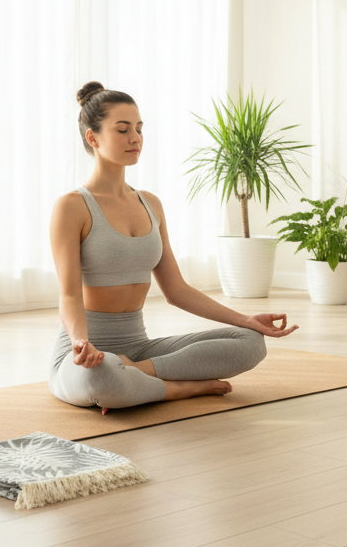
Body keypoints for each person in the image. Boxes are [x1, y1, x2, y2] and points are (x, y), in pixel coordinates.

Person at [49, 81, 299, 414]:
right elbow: (69, 294)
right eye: (122, 130)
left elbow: (177, 290)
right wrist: (82, 342)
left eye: (139, 129)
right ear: (92, 137)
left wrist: (246, 320)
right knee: (102, 377)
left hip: (139, 347)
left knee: (250, 343)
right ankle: (177, 389)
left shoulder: (150, 203)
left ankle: (139, 376)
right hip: (85, 353)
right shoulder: (72, 206)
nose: (135, 138)